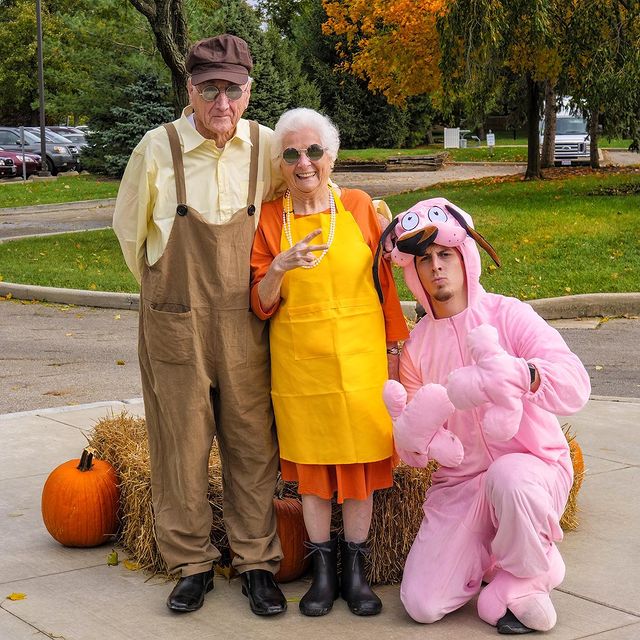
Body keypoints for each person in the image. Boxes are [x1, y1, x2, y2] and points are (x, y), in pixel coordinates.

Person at [112, 34, 288, 616]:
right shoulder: (156, 148)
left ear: (248, 91)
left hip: (245, 322)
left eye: (232, 90)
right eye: (208, 88)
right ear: (189, 90)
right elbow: (130, 237)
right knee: (180, 444)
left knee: (252, 444)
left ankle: (257, 561)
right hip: (175, 321)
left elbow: (308, 196)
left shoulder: (267, 148)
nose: (221, 102)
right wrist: (168, 296)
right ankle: (190, 564)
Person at [379, 197, 590, 634]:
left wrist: (524, 373)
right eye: (424, 260)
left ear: (464, 256)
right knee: (421, 603)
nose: (436, 267)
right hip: (461, 485)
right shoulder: (416, 349)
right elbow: (422, 441)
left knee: (508, 477)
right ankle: (509, 557)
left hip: (534, 468)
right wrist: (412, 440)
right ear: (413, 273)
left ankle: (529, 577)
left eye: (445, 255)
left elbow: (576, 384)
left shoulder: (508, 314)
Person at [249, 108, 409, 617]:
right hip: (302, 372)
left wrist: (394, 353)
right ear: (279, 163)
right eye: (291, 153)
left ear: (331, 157)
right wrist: (278, 267)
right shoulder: (271, 219)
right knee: (315, 474)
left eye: (313, 151)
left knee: (360, 467)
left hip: (361, 367)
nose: (303, 163)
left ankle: (356, 574)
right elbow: (260, 303)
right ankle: (321, 574)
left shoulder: (361, 207)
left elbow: (387, 289)